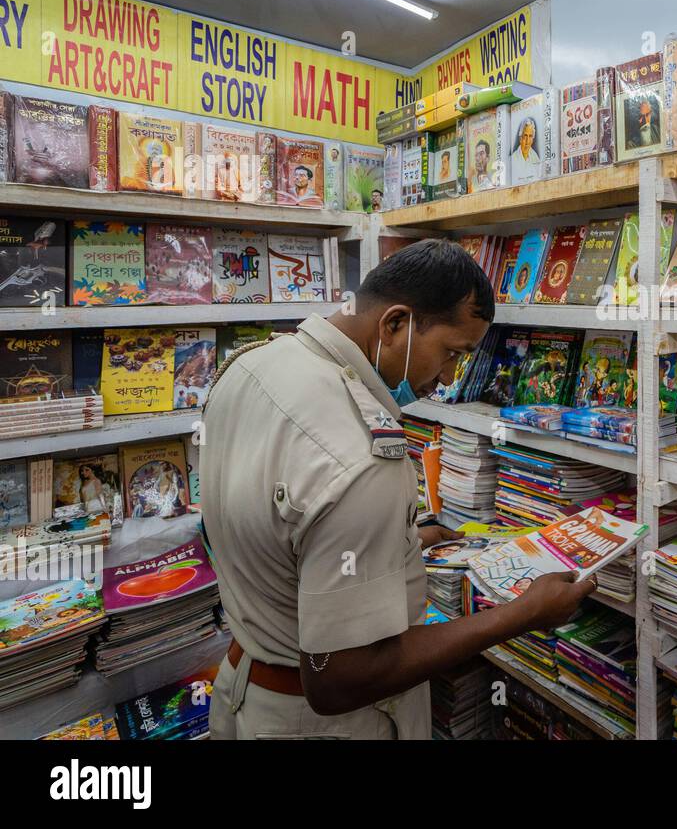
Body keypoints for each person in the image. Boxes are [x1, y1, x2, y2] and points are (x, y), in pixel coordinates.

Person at [202, 240, 593, 739]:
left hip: (243, 691)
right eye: (452, 354)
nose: (450, 379)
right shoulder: (362, 457)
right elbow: (338, 680)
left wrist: (396, 544)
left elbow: (273, 520)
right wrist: (520, 615)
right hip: (320, 723)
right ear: (394, 325)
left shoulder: (252, 366)